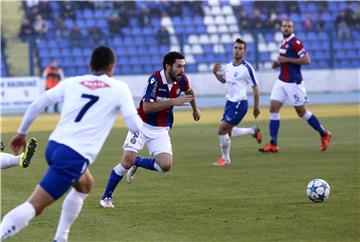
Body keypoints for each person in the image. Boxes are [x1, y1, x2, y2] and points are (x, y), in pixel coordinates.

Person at [1, 46, 142, 242]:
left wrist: (21, 133)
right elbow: (134, 124)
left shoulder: (73, 82)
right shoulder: (119, 88)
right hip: (73, 155)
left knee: (85, 184)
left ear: (90, 64)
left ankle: (61, 237)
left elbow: (37, 104)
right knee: (35, 206)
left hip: (54, 146)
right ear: (112, 67)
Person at [99, 51, 201, 208]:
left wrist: (195, 109)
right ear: (168, 66)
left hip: (160, 129)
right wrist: (173, 101)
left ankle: (138, 162)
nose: (182, 70)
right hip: (141, 124)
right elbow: (146, 107)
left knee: (165, 166)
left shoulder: (182, 80)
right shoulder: (155, 80)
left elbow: (190, 92)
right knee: (126, 161)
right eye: (179, 66)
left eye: (183, 66)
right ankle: (106, 198)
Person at [259, 19, 332, 153]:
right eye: (284, 26)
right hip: (281, 81)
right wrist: (278, 64)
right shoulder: (283, 42)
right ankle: (273, 144)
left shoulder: (296, 43)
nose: (286, 28)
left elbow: (307, 60)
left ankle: (324, 133)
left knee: (301, 112)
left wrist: (286, 60)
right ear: (281, 28)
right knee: (273, 109)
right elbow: (283, 60)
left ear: (293, 29)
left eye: (289, 26)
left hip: (294, 83)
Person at [212, 38, 261, 167]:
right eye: (236, 48)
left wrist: (256, 107)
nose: (237, 51)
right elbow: (224, 81)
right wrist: (215, 73)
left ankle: (225, 159)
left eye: (240, 48)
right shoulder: (228, 67)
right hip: (229, 103)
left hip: (240, 103)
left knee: (222, 130)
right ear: (232, 49)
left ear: (244, 52)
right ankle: (253, 131)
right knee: (228, 132)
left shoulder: (247, 68)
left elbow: (255, 87)